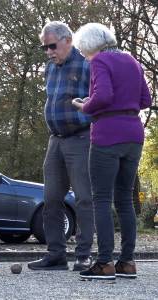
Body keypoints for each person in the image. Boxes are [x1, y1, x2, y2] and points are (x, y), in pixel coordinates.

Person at [72, 23, 151, 280]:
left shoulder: (100, 61)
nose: (84, 56)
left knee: (102, 199)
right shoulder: (132, 60)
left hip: (108, 134)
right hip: (134, 134)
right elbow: (145, 100)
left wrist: (85, 106)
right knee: (125, 199)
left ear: (90, 45)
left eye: (83, 51)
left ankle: (104, 262)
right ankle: (127, 262)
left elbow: (103, 96)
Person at [28, 21, 94, 271]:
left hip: (80, 138)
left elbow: (99, 100)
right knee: (51, 199)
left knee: (84, 198)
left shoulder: (88, 64)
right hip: (55, 140)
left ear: (68, 40)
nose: (48, 52)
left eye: (52, 46)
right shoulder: (50, 69)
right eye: (44, 47)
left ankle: (84, 254)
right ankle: (55, 254)